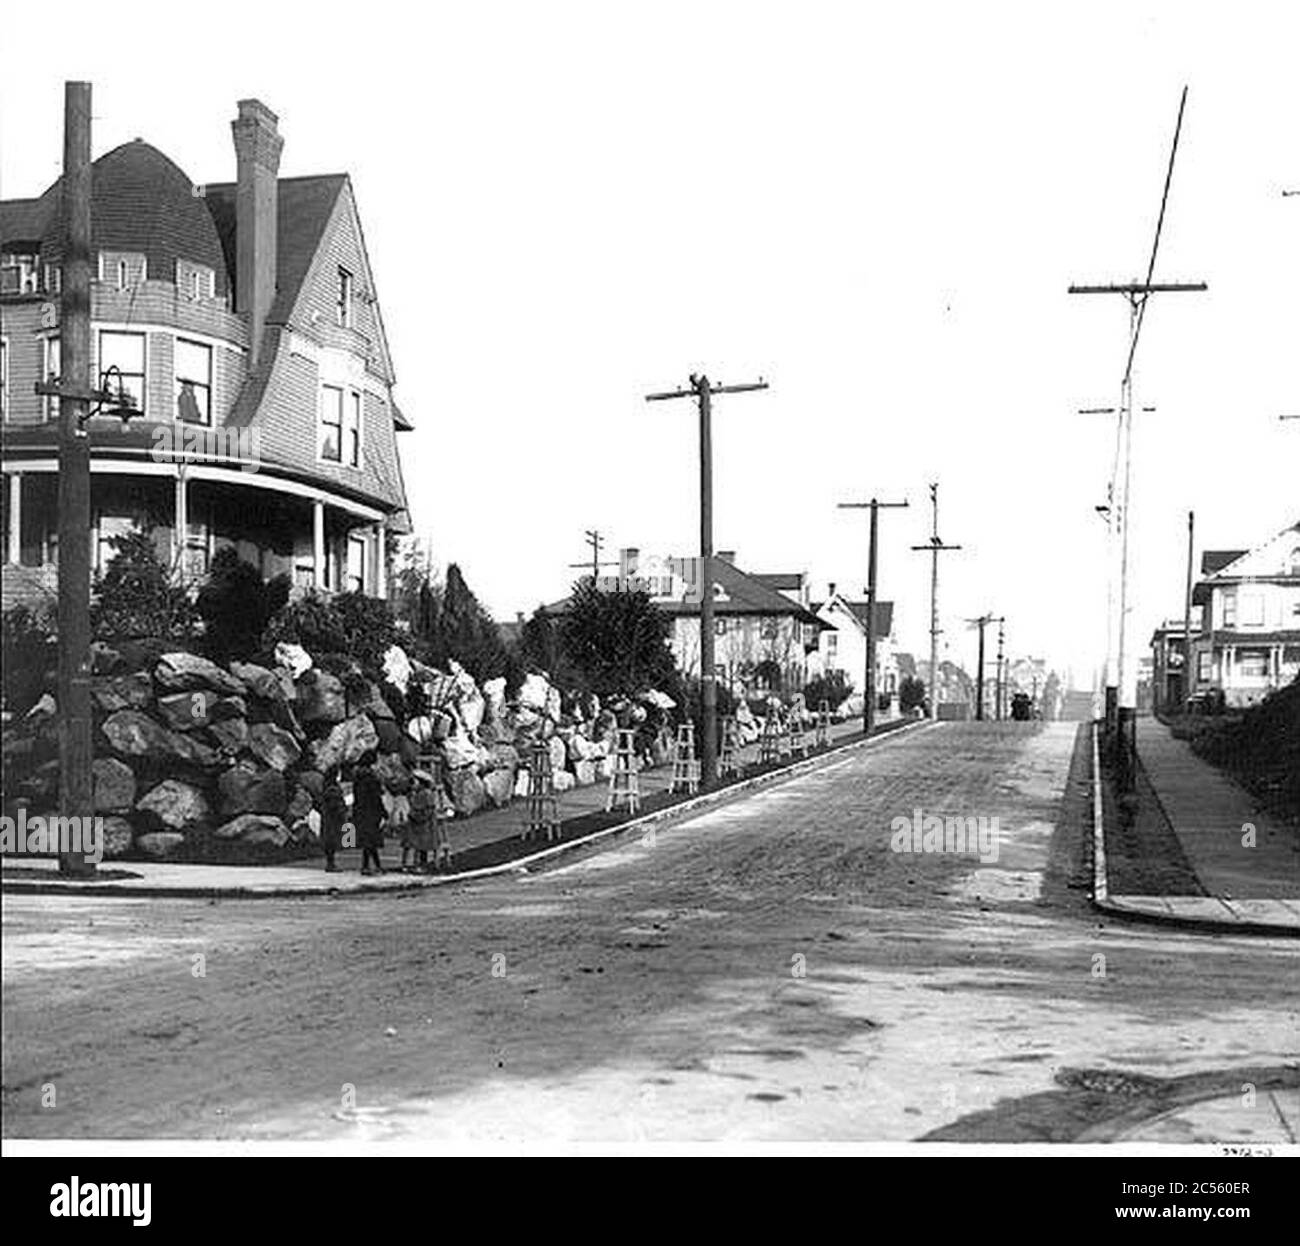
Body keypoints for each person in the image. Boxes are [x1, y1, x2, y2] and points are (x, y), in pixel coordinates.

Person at [352, 759, 386, 875]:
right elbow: (377, 798)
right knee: (371, 841)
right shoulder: (372, 780)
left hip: (361, 812)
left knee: (367, 841)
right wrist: (383, 812)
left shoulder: (357, 779)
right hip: (372, 813)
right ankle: (376, 866)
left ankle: (367, 865)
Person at [320, 775, 348, 873]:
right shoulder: (334, 791)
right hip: (333, 820)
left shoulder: (325, 788)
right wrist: (343, 810)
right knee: (332, 840)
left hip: (328, 818)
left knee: (329, 840)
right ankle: (331, 864)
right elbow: (336, 805)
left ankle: (330, 863)